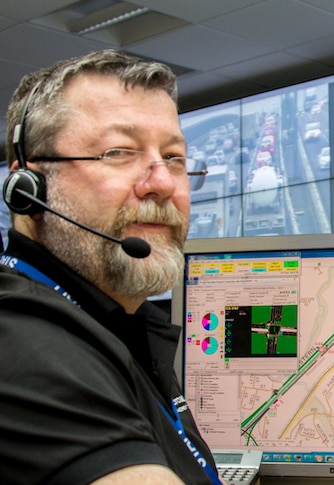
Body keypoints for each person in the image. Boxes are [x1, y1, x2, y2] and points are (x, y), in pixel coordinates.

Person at [0, 50, 218, 484]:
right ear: (28, 186)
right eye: (119, 152)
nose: (161, 183)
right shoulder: (23, 342)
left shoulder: (117, 323)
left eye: (173, 157)